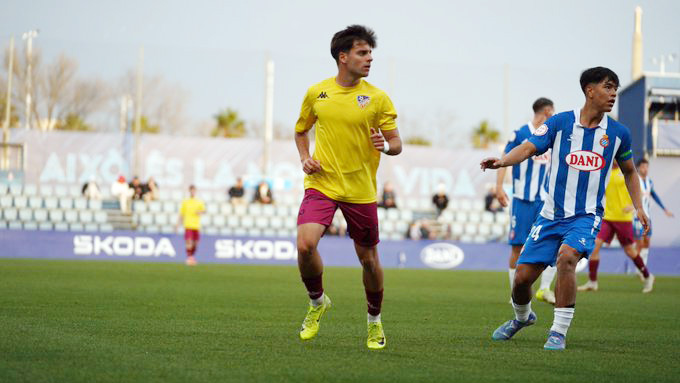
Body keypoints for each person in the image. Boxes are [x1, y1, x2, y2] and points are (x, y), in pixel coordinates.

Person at [480, 67, 648, 350]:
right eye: (608, 87)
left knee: (567, 258)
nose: (613, 94)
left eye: (616, 88)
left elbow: (630, 172)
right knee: (521, 280)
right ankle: (522, 317)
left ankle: (558, 332)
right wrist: (503, 162)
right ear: (589, 90)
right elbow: (529, 147)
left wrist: (639, 206)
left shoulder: (619, 133)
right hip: (549, 216)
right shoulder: (560, 123)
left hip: (586, 216)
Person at [294, 25, 402, 350]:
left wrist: (385, 145)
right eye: (362, 52)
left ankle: (374, 322)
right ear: (343, 57)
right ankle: (317, 302)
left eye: (370, 53)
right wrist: (305, 157)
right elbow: (301, 131)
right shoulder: (317, 93)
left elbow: (397, 143)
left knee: (368, 259)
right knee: (304, 245)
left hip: (360, 190)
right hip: (322, 183)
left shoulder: (378, 97)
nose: (369, 59)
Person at [495, 98, 557, 305]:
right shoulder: (521, 133)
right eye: (553, 110)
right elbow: (503, 160)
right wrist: (499, 187)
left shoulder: (552, 134)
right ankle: (515, 293)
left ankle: (545, 289)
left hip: (545, 201)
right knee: (517, 247)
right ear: (547, 111)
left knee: (553, 244)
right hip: (522, 199)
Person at [578, 160, 656, 293]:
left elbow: (640, 192)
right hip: (608, 217)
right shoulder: (605, 171)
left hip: (623, 219)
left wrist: (633, 206)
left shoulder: (628, 171)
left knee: (630, 251)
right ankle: (592, 282)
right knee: (595, 246)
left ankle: (648, 277)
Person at [632, 158, 673, 272]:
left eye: (647, 167)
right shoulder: (635, 181)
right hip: (636, 218)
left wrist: (664, 209)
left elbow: (654, 195)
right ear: (638, 167)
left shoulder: (649, 182)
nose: (645, 169)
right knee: (639, 243)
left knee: (647, 241)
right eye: (643, 167)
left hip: (647, 217)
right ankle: (638, 268)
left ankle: (643, 267)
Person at [176, 185, 205, 266]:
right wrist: (178, 224)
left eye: (194, 190)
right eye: (191, 190)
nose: (193, 192)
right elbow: (182, 214)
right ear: (189, 191)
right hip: (188, 224)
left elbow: (203, 210)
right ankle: (189, 257)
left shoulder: (199, 201)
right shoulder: (185, 202)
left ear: (195, 191)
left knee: (196, 243)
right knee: (188, 241)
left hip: (196, 225)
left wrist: (200, 212)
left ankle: (192, 256)